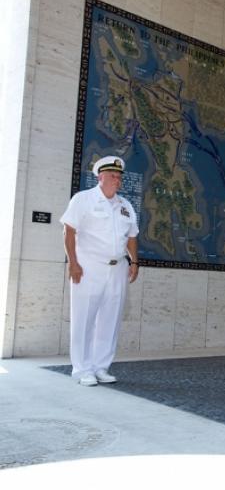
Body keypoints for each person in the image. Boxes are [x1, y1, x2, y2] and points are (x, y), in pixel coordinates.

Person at [60, 156, 139, 386]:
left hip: (118, 269)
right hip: (89, 267)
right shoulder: (83, 199)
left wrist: (135, 262)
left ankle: (101, 367)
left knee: (110, 320)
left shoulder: (125, 206)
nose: (118, 180)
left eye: (119, 177)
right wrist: (72, 262)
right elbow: (69, 231)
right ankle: (83, 369)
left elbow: (132, 236)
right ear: (100, 177)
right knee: (84, 318)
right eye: (113, 176)